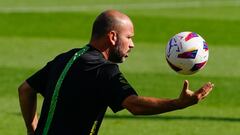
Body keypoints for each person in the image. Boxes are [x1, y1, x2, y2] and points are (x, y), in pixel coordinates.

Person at [18, 9, 214, 135]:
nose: (132, 44)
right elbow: (135, 105)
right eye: (128, 37)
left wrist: (31, 128)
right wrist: (179, 103)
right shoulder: (103, 70)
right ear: (112, 37)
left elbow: (25, 89)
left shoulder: (66, 57)